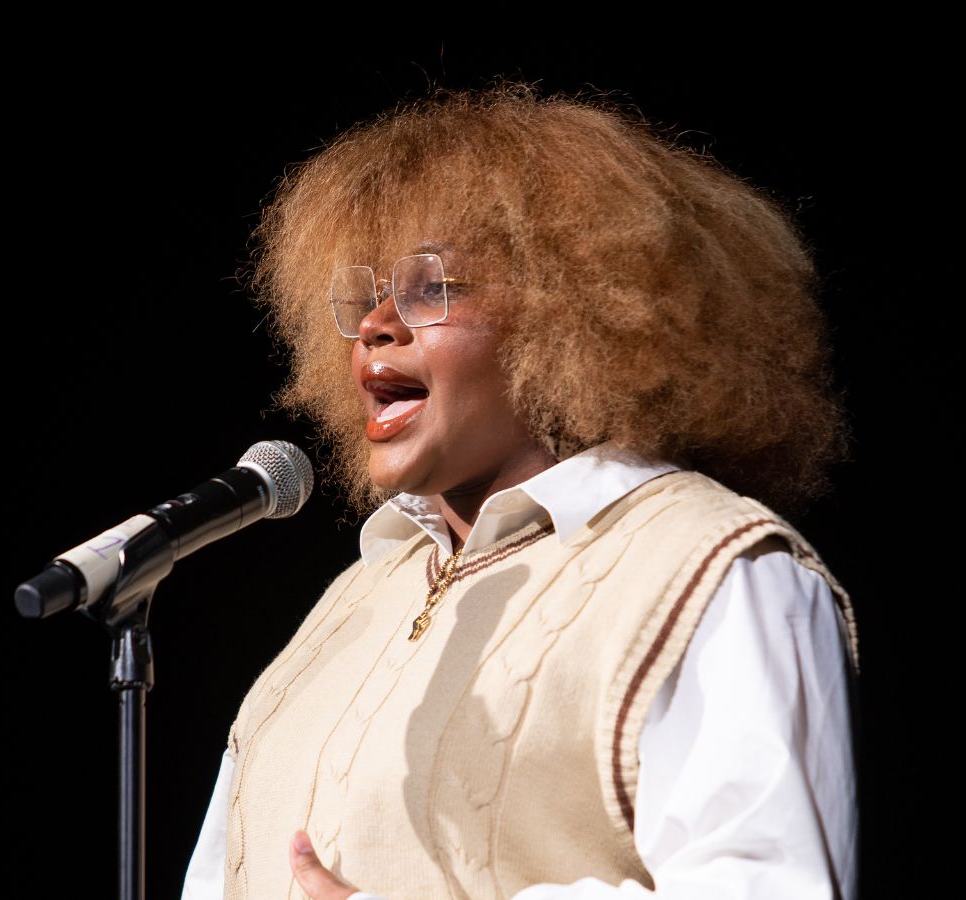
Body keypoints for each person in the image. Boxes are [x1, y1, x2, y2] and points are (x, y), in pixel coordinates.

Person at [182, 83, 860, 900]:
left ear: (578, 311)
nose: (375, 326)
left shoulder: (709, 568)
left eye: (433, 287)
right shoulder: (348, 607)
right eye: (362, 299)